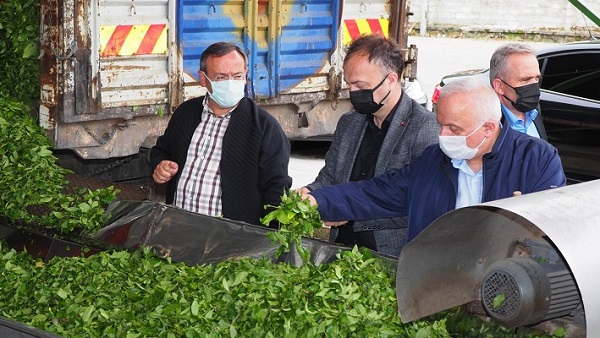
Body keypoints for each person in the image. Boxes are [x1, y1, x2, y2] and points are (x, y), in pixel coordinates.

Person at [304, 78, 566, 242]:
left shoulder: (537, 160)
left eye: (454, 129)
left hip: (503, 287)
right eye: (440, 124)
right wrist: (320, 200)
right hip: (436, 281)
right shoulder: (433, 162)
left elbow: (551, 233)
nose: (442, 135)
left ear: (488, 128)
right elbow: (377, 193)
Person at [296, 35, 439, 256]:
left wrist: (346, 209)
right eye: (349, 84)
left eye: (360, 85)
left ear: (391, 80)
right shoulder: (349, 122)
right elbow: (331, 177)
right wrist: (309, 193)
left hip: (390, 257)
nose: (353, 92)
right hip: (341, 251)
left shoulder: (425, 128)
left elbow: (418, 203)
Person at [150, 42, 292, 226]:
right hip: (179, 228)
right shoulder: (186, 113)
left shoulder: (265, 128)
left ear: (246, 76)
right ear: (203, 79)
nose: (231, 83)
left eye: (237, 76)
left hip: (230, 240)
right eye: (221, 77)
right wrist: (161, 165)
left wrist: (266, 242)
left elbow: (277, 189)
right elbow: (162, 150)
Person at [489, 43, 547, 140]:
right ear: (499, 86)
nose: (534, 86)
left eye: (537, 78)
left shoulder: (534, 110)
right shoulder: (486, 124)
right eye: (525, 80)